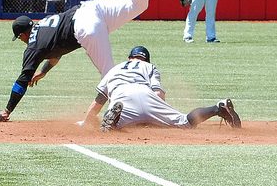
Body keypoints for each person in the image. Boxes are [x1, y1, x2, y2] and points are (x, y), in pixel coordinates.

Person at [0, 0, 167, 121]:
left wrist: (7, 110)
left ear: (22, 34)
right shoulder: (44, 24)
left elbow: (22, 81)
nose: (21, 40)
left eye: (19, 37)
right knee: (135, 6)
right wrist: (43, 72)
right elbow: (55, 52)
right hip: (91, 7)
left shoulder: (33, 46)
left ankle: (126, 116)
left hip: (85, 26)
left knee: (111, 76)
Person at [79, 46, 241, 131]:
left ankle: (114, 120)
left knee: (111, 128)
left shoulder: (114, 69)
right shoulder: (149, 66)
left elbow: (98, 101)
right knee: (186, 122)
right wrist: (156, 115)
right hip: (146, 95)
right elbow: (157, 93)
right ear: (146, 59)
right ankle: (218, 108)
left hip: (122, 97)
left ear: (129, 58)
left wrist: (87, 122)